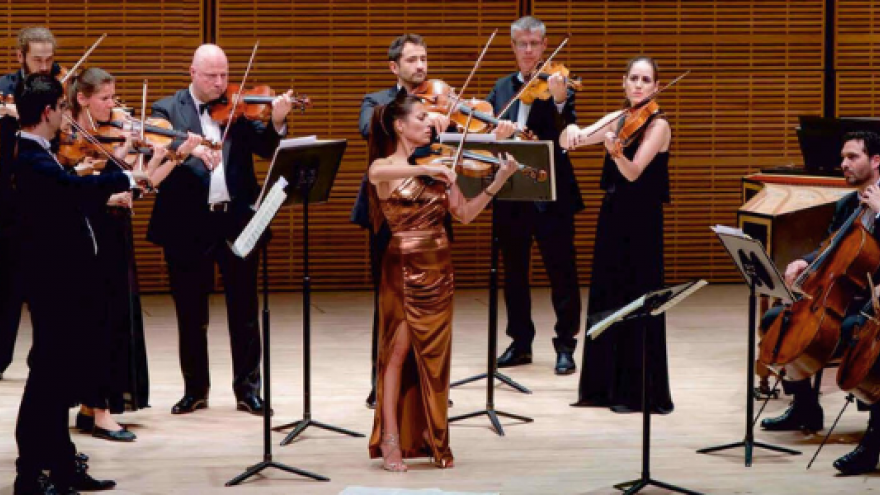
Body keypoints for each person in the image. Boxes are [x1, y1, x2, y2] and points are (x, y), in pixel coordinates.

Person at [354, 33, 514, 407]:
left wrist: (496, 131)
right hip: (391, 217)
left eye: (424, 58)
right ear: (395, 67)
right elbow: (370, 128)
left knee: (431, 308)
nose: (421, 66)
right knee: (390, 305)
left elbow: (472, 142)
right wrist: (415, 114)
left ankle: (430, 384)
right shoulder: (377, 102)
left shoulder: (444, 105)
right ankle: (383, 385)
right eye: (412, 60)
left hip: (433, 211)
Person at [12, 73, 148, 495]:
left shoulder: (42, 153)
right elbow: (72, 190)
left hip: (65, 286)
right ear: (49, 111)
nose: (69, 117)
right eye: (64, 108)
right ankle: (30, 474)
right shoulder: (30, 159)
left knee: (57, 380)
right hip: (53, 288)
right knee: (46, 385)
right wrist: (124, 178)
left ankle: (61, 465)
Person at [366, 92, 517, 471]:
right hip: (402, 267)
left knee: (434, 359)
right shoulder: (391, 165)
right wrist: (425, 171)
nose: (429, 123)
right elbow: (376, 175)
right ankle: (390, 442)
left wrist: (499, 180)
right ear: (401, 126)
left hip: (440, 269)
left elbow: (464, 214)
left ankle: (431, 437)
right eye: (420, 118)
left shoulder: (442, 162)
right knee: (397, 354)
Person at [149, 44, 296, 415]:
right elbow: (158, 142)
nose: (220, 83)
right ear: (192, 72)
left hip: (235, 221)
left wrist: (277, 120)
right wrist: (190, 149)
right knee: (190, 313)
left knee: (244, 310)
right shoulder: (168, 108)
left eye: (224, 75)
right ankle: (195, 390)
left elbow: (267, 147)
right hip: (187, 224)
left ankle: (248, 390)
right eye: (211, 75)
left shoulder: (240, 111)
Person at [66, 67, 200, 441]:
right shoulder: (72, 140)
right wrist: (113, 189)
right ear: (83, 99)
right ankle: (100, 411)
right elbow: (80, 192)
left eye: (114, 97)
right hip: (89, 237)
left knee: (115, 322)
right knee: (99, 323)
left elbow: (140, 187)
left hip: (115, 233)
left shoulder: (115, 136)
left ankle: (92, 407)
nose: (115, 106)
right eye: (106, 98)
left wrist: (172, 157)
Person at [758, 130, 880, 475]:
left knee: (859, 336)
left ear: (875, 161)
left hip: (873, 309)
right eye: (842, 157)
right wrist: (805, 261)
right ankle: (805, 407)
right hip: (837, 299)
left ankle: (873, 442)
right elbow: (829, 248)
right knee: (775, 321)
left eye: (852, 157)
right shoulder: (846, 204)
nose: (843, 164)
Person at [562, 56, 674, 413]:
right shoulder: (618, 118)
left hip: (642, 223)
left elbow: (633, 171)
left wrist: (616, 153)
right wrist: (568, 128)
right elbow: (575, 138)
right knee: (607, 294)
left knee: (635, 299)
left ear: (656, 86)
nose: (639, 85)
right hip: (612, 218)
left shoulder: (659, 125)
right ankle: (601, 388)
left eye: (646, 80)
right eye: (633, 79)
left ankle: (636, 392)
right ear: (624, 83)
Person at [488, 16, 583, 375]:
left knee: (561, 269)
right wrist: (497, 131)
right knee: (514, 272)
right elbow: (483, 126)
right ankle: (521, 341)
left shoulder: (560, 85)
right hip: (511, 193)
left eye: (535, 44)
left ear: (545, 47)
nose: (528, 50)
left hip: (552, 193)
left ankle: (566, 344)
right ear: (513, 47)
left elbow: (566, 129)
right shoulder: (500, 89)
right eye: (521, 44)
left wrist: (559, 102)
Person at [0, 26, 62, 378]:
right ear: (20, 56)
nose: (44, 66)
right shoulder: (5, 89)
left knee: (48, 289)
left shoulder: (59, 88)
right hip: (9, 199)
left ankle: (44, 358)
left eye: (49, 59)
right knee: (7, 287)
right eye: (37, 59)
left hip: (48, 200)